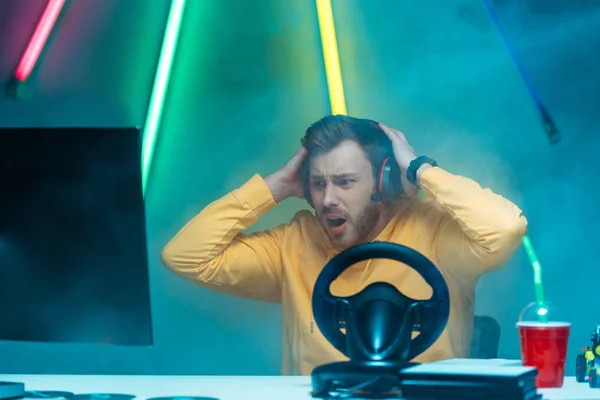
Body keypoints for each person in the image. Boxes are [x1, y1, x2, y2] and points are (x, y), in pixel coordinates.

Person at [161, 115, 528, 375]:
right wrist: (274, 187)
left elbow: (505, 227)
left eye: (345, 182)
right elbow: (185, 256)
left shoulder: (436, 231)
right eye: (318, 183)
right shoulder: (294, 242)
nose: (327, 200)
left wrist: (419, 170)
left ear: (383, 182)